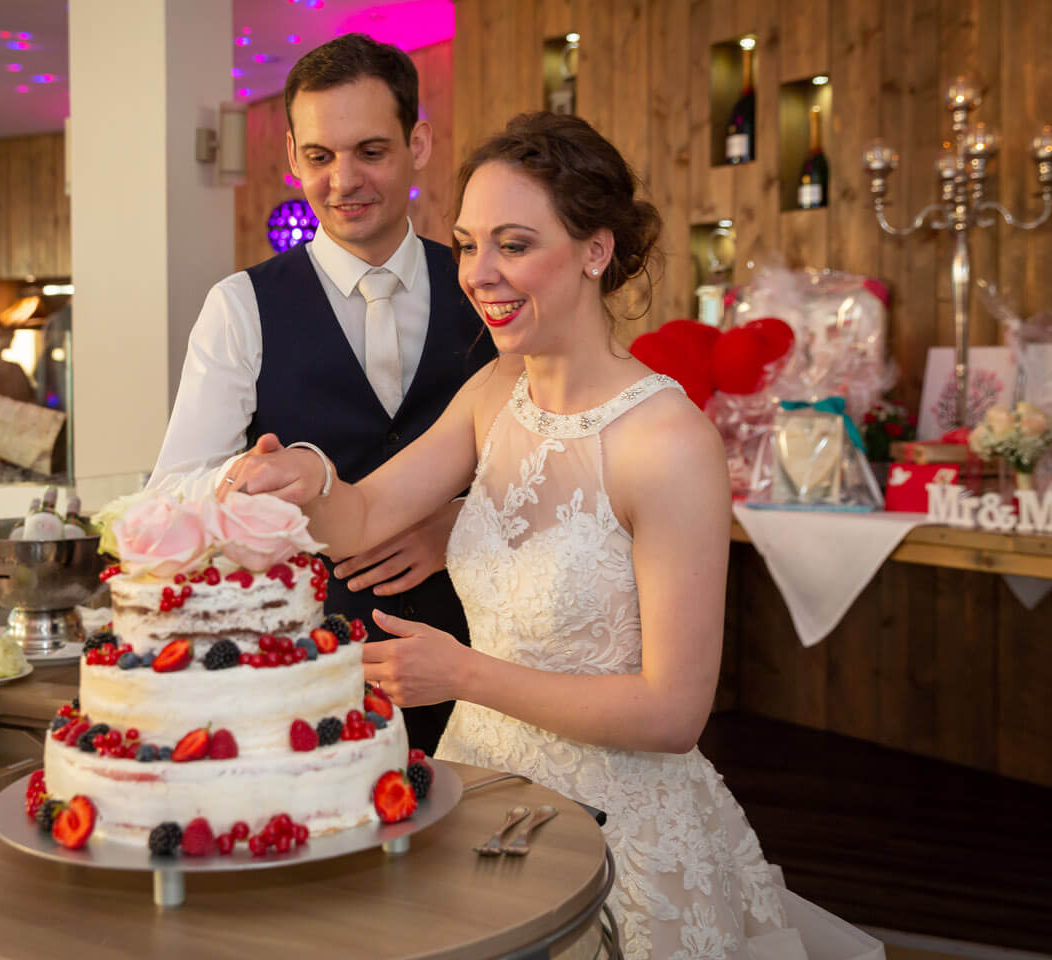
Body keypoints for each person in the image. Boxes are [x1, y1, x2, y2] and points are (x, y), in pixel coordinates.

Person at [223, 113, 877, 959]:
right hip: (479, 801)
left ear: (596, 250)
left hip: (620, 835)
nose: (479, 275)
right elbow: (359, 518)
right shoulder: (494, 393)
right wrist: (306, 472)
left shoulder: (669, 443)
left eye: (514, 244)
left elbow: (675, 711)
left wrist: (460, 672)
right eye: (465, 245)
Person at [150, 34, 496, 753]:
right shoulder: (240, 306)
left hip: (479, 656)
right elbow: (172, 492)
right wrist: (267, 479)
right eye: (320, 156)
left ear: (418, 144)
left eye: (370, 151)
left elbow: (547, 461)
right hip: (304, 668)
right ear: (291, 158)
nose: (344, 180)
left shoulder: (486, 287)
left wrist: (465, 520)